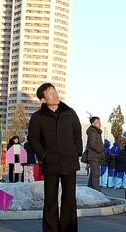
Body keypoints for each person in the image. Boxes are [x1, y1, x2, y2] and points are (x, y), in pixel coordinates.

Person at [27, 83, 83, 232]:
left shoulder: (69, 113)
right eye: (50, 93)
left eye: (55, 92)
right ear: (43, 100)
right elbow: (33, 139)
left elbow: (77, 132)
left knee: (69, 199)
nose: (55, 95)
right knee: (50, 200)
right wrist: (43, 155)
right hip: (50, 162)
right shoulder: (37, 117)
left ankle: (68, 229)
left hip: (69, 161)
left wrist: (77, 151)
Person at [84, 117, 105, 191]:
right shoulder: (92, 131)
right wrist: (100, 151)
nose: (100, 123)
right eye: (98, 122)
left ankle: (89, 190)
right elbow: (93, 144)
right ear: (93, 123)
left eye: (99, 121)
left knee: (93, 174)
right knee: (96, 174)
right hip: (94, 156)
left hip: (96, 156)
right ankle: (97, 192)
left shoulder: (97, 131)